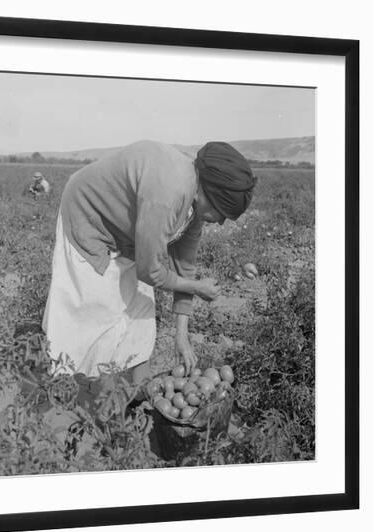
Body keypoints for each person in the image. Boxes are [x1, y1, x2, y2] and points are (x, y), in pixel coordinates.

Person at [42, 140, 257, 389]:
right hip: (89, 217)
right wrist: (196, 287)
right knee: (95, 314)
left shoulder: (195, 202)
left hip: (127, 234)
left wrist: (182, 336)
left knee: (140, 313)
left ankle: (137, 392)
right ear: (209, 193)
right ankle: (78, 394)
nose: (220, 223)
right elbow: (150, 271)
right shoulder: (168, 194)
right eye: (221, 213)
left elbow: (184, 267)